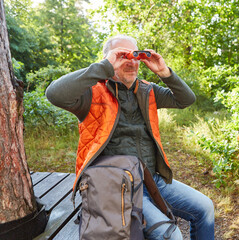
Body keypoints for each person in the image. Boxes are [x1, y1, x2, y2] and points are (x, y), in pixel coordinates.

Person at [45, 34, 215, 240]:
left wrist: (164, 72)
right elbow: (54, 94)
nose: (131, 62)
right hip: (117, 187)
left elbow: (185, 100)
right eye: (121, 56)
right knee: (170, 235)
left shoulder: (147, 90)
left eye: (135, 55)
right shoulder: (92, 93)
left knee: (205, 208)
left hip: (153, 180)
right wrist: (104, 67)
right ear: (108, 60)